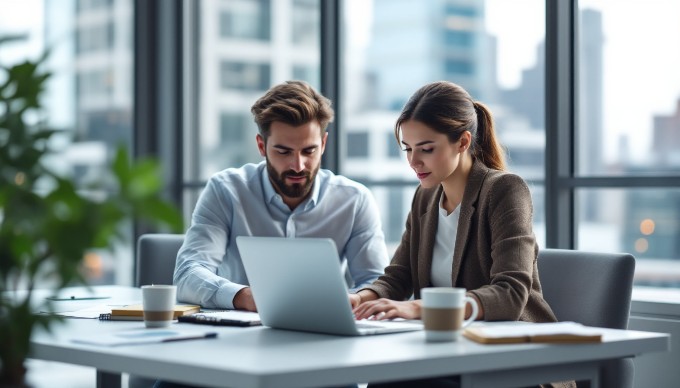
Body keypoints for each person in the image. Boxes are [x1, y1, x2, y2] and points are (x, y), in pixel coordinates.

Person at [350, 81, 575, 388]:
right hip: (450, 354)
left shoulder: (505, 190)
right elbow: (399, 275)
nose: (414, 161)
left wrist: (419, 308)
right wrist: (361, 299)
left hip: (517, 363)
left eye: (427, 149)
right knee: (386, 381)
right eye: (408, 149)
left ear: (463, 141)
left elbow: (510, 294)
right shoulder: (425, 197)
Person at [174, 80, 389, 312]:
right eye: (283, 152)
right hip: (239, 335)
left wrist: (355, 299)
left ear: (324, 143)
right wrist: (244, 296)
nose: (298, 165)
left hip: (322, 334)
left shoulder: (354, 200)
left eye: (309, 151)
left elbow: (377, 282)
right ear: (261, 146)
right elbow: (188, 273)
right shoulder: (226, 190)